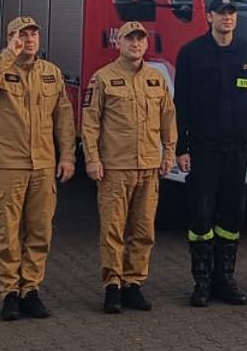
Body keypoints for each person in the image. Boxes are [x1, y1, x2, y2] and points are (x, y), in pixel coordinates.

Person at [0, 16, 75, 320]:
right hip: (8, 165)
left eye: (33, 35)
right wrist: (7, 55)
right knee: (8, 232)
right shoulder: (0, 71)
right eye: (21, 35)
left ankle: (31, 290)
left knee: (40, 231)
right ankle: (9, 293)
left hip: (43, 165)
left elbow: (64, 120)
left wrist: (67, 156)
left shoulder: (51, 74)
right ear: (10, 38)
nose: (29, 40)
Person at [172, 0, 247, 307]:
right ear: (209, 16)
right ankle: (202, 281)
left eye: (232, 13)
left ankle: (225, 278)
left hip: (237, 149)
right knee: (201, 215)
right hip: (204, 148)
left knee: (232, 215)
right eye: (221, 13)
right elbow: (180, 104)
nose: (227, 18)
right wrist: (181, 148)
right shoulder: (191, 54)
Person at [82, 21, 176, 314]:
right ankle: (112, 285)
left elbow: (168, 119)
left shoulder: (156, 80)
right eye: (129, 40)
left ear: (146, 45)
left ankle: (133, 284)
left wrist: (169, 153)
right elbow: (90, 122)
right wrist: (92, 159)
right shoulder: (103, 79)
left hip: (148, 166)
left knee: (143, 229)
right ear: (118, 43)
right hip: (115, 168)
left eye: (140, 40)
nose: (135, 45)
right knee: (113, 229)